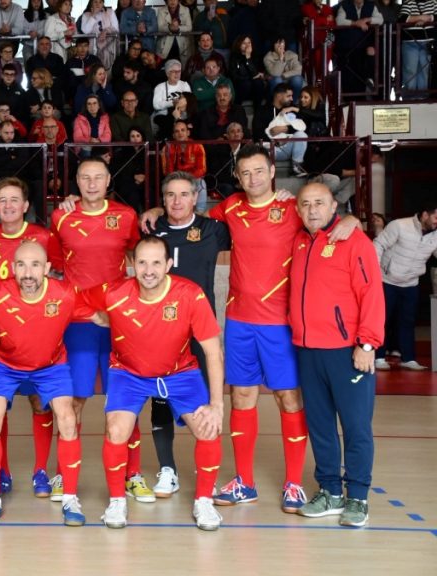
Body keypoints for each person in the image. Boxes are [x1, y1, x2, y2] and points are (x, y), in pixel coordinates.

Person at [143, 145, 356, 513]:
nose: (252, 179)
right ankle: (244, 482)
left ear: (272, 171)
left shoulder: (293, 208)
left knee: (289, 399)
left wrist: (349, 222)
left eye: (259, 171)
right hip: (239, 320)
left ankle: (292, 484)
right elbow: (186, 215)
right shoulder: (230, 209)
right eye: (245, 173)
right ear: (238, 178)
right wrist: (158, 210)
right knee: (241, 398)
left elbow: (326, 219)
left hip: (280, 323)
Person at [91, 235, 225, 530]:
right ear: (132, 264)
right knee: (116, 429)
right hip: (129, 373)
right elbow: (65, 300)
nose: (148, 270)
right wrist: (97, 314)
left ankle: (203, 501)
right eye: (141, 262)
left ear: (169, 264)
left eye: (155, 263)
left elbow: (213, 351)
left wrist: (217, 404)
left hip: (180, 373)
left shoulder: (190, 294)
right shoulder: (114, 293)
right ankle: (117, 501)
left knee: (208, 428)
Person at [0, 240, 100, 526]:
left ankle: (69, 497)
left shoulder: (65, 294)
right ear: (12, 268)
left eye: (35, 265)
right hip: (4, 365)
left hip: (51, 367)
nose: (28, 272)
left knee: (67, 418)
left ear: (47, 268)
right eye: (21, 265)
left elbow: (102, 315)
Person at [286, 182, 385, 529]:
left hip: (348, 352)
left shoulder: (354, 241)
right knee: (321, 426)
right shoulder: (299, 241)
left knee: (356, 427)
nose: (312, 210)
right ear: (298, 209)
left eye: (320, 203)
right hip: (308, 350)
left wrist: (368, 344)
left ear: (333, 207)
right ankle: (329, 491)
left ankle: (357, 497)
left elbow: (372, 293)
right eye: (306, 204)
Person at [50, 158, 143, 502]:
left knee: (126, 400)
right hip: (78, 323)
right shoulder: (62, 217)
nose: (91, 184)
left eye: (98, 178)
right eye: (85, 178)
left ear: (108, 181)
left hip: (118, 321)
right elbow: (55, 264)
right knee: (73, 401)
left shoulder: (126, 215)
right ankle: (63, 475)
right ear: (76, 181)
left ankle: (132, 475)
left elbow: (140, 257)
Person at [147, 172, 230, 497]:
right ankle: (167, 469)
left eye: (184, 194)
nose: (177, 201)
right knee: (161, 401)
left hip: (201, 331)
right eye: (170, 195)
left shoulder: (213, 230)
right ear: (163, 199)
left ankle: (206, 470)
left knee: (208, 403)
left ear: (196, 197)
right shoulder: (153, 229)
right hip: (160, 332)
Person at [373, 201, 437, 371]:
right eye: (436, 217)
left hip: (411, 283)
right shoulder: (399, 226)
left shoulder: (435, 234)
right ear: (425, 215)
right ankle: (378, 357)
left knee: (407, 321)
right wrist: (374, 273)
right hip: (386, 280)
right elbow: (378, 245)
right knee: (382, 320)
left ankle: (408, 358)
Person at [160, 120, 208, 212]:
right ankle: (170, 212)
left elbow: (202, 169)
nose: (180, 133)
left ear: (188, 132)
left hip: (193, 178)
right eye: (177, 131)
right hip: (175, 179)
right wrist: (179, 178)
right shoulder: (167, 148)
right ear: (173, 135)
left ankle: (200, 213)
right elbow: (167, 171)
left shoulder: (197, 146)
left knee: (202, 183)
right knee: (167, 184)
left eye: (183, 130)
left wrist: (187, 178)